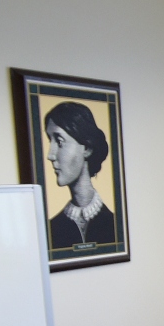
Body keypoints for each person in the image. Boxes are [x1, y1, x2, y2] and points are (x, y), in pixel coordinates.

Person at [44, 101, 116, 250]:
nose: (50, 155)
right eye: (50, 141)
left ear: (87, 148)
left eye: (59, 141)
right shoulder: (51, 229)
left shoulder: (115, 224)